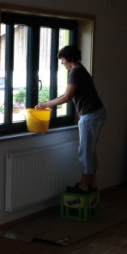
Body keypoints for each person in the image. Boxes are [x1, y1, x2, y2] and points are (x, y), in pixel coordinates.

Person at [35, 46, 106, 193]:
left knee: (85, 151)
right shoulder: (80, 70)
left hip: (90, 115)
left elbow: (67, 97)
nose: (62, 63)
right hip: (97, 112)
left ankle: (83, 186)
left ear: (69, 58)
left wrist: (45, 105)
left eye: (62, 59)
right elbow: (66, 94)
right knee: (90, 151)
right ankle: (93, 184)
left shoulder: (76, 72)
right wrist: (46, 104)